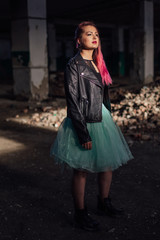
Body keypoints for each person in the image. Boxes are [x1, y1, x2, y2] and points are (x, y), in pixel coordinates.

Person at [50, 21, 134, 231]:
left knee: (107, 165)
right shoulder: (74, 65)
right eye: (89, 34)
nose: (95, 37)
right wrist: (83, 134)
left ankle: (103, 203)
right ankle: (80, 213)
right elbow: (73, 101)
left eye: (96, 33)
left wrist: (110, 118)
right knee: (82, 170)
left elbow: (103, 97)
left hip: (102, 118)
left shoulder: (99, 62)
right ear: (79, 41)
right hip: (84, 120)